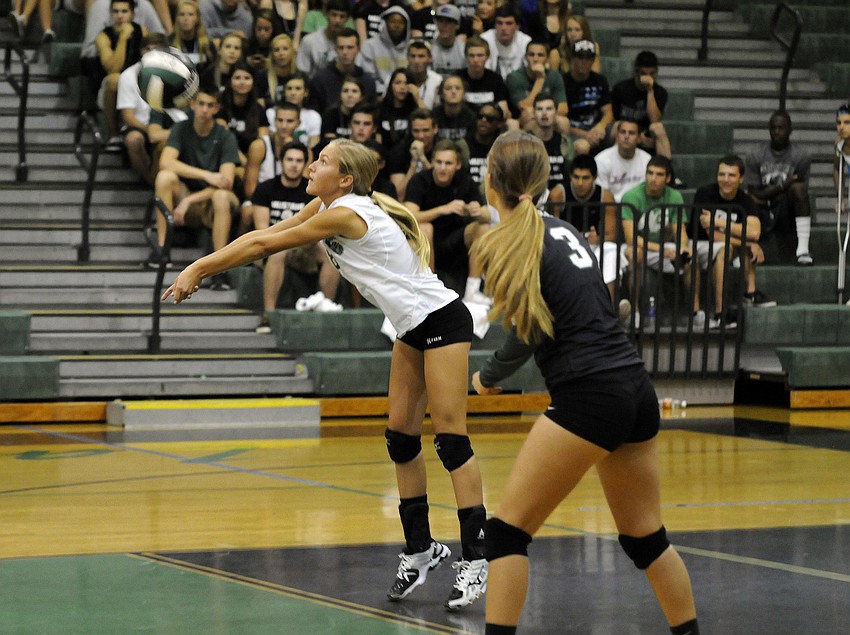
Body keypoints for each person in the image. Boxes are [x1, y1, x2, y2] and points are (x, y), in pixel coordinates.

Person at [163, 138, 489, 612]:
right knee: (400, 439)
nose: (312, 166)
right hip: (409, 327)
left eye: (322, 161)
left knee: (451, 440)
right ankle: (421, 551)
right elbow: (263, 235)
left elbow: (263, 242)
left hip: (441, 320)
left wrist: (199, 266)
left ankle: (477, 559)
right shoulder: (325, 204)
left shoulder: (346, 212)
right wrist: (205, 265)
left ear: (346, 179)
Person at [469, 130, 699, 635]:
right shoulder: (564, 230)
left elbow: (529, 331)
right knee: (645, 539)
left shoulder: (507, 241)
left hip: (589, 395)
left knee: (505, 534)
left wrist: (486, 378)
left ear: (491, 181)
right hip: (635, 389)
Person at [154, 85, 241, 289]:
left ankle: (219, 268)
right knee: (164, 177)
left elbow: (226, 182)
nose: (204, 110)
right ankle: (162, 249)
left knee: (221, 195)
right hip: (189, 194)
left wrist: (188, 200)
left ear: (217, 109)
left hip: (211, 201)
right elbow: (166, 162)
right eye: (201, 104)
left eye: (210, 105)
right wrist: (207, 175)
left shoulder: (225, 136)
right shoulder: (181, 129)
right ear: (192, 104)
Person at [251, 140, 340, 332]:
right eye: (289, 159)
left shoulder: (312, 190)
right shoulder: (265, 189)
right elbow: (262, 229)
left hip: (304, 246)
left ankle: (327, 307)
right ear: (280, 161)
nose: (294, 164)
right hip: (272, 246)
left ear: (306, 164)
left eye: (299, 160)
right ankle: (268, 315)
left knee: (330, 251)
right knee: (277, 253)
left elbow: (321, 229)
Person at [694, 155, 775, 329]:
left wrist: (719, 222)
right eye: (721, 174)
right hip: (699, 243)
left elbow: (754, 232)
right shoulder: (705, 194)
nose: (725, 180)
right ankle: (720, 312)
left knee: (741, 245)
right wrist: (747, 242)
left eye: (731, 175)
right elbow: (711, 235)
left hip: (725, 242)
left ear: (741, 178)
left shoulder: (746, 201)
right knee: (730, 247)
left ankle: (750, 293)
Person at [404, 139, 490, 299]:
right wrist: (444, 209)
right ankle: (427, 291)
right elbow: (409, 215)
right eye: (439, 162)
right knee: (425, 227)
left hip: (455, 243)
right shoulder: (420, 180)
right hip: (425, 243)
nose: (442, 168)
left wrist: (476, 210)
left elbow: (488, 216)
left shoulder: (465, 181)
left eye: (448, 163)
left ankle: (472, 291)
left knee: (482, 228)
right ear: (433, 162)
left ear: (457, 165)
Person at [621, 155, 702, 324]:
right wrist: (662, 250)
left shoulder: (674, 197)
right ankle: (634, 313)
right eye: (650, 173)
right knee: (634, 254)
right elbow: (631, 238)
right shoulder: (631, 197)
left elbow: (680, 231)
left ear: (668, 178)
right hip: (641, 246)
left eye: (659, 174)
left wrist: (683, 248)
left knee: (691, 258)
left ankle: (696, 312)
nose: (653, 179)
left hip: (664, 248)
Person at [745, 110, 813, 266]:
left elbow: (799, 192)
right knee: (746, 197)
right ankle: (746, 251)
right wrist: (785, 184)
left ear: (790, 130)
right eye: (773, 128)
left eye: (781, 128)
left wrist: (772, 193)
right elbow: (754, 194)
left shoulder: (801, 156)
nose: (777, 132)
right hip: (760, 209)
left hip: (785, 210)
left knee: (799, 190)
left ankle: (803, 249)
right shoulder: (755, 155)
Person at [117, 32, 173, 185]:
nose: (152, 53)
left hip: (168, 124)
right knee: (134, 140)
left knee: (166, 142)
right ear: (141, 51)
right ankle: (149, 180)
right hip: (140, 124)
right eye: (147, 49)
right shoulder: (128, 76)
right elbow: (128, 116)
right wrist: (151, 131)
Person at [216, 59, 271, 202]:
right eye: (237, 78)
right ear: (230, 81)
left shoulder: (258, 109)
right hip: (226, 159)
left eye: (247, 78)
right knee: (239, 172)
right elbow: (222, 137)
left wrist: (250, 164)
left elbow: (264, 141)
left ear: (253, 82)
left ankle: (252, 203)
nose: (242, 82)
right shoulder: (221, 107)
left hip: (253, 161)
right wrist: (244, 163)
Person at [94, 0, 148, 145]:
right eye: (116, 11)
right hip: (108, 88)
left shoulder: (142, 31)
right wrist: (123, 39)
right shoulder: (103, 37)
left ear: (132, 14)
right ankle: (114, 134)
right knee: (115, 79)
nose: (119, 16)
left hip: (137, 80)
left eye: (124, 11)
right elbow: (113, 68)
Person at [611, 50, 671, 159]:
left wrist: (650, 91)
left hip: (646, 136)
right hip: (625, 132)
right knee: (617, 126)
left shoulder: (660, 92)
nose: (648, 77)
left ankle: (666, 171)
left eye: (652, 74)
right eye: (644, 73)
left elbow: (655, 120)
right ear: (636, 72)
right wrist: (635, 136)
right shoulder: (620, 89)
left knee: (658, 128)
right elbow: (613, 118)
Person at [309, 28, 378, 116]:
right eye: (341, 48)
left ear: (358, 49)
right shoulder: (320, 79)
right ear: (335, 50)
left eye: (350, 47)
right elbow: (314, 114)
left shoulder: (368, 82)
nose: (345, 52)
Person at [505, 40, 568, 133]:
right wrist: (540, 79)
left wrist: (545, 115)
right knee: (527, 119)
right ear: (525, 57)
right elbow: (525, 107)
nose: (535, 59)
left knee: (563, 122)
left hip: (545, 117)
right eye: (531, 54)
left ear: (547, 59)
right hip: (522, 120)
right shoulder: (514, 77)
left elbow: (563, 109)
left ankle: (561, 147)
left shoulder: (555, 76)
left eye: (540, 55)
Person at [563, 39, 613, 156]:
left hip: (596, 128)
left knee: (620, 130)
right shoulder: (562, 81)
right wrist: (585, 134)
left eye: (588, 58)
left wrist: (600, 126)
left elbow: (608, 112)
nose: (583, 62)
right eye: (580, 57)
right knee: (582, 147)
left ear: (593, 60)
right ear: (572, 58)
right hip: (572, 130)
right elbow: (560, 122)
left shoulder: (600, 80)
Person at [529, 92, 569, 217]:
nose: (544, 113)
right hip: (531, 198)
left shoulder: (565, 143)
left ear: (556, 112)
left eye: (549, 109)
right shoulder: (525, 141)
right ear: (533, 113)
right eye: (540, 109)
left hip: (562, 199)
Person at [595, 118, 651, 203]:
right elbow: (603, 194)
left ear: (639, 138)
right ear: (617, 136)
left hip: (639, 208)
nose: (626, 136)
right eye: (623, 132)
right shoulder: (601, 160)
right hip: (612, 208)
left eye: (631, 133)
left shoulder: (647, 160)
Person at [388, 108, 439, 200]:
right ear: (411, 131)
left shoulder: (442, 150)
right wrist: (413, 164)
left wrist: (423, 159)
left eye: (426, 130)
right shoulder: (399, 152)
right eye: (416, 131)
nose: (421, 136)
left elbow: (442, 188)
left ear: (435, 129)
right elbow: (398, 196)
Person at [360, 6, 411, 96]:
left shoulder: (411, 48)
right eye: (393, 21)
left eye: (401, 22)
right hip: (376, 95)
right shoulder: (369, 45)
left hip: (405, 95)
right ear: (385, 23)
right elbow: (368, 77)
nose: (396, 26)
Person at [459, 36, 512, 122]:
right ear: (466, 57)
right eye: (471, 55)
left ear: (487, 57)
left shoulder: (495, 79)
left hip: (489, 123)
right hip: (464, 122)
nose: (475, 60)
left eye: (480, 55)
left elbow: (503, 108)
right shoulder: (457, 78)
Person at [295, 0, 352, 80]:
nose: (337, 20)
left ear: (347, 19)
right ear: (326, 14)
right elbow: (302, 73)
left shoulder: (350, 43)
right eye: (334, 15)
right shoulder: (309, 41)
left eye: (342, 17)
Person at [481, 3, 531, 81]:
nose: (503, 28)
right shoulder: (484, 40)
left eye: (509, 23)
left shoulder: (526, 41)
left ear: (517, 26)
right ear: (495, 25)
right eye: (499, 23)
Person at [170, 0, 217, 75]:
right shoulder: (169, 43)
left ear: (197, 18)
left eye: (191, 14)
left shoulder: (207, 45)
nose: (186, 18)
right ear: (177, 18)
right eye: (182, 14)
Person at [378, 68, 419, 151]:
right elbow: (378, 138)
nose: (402, 87)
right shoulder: (381, 108)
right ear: (391, 85)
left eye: (406, 83)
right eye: (398, 83)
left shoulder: (415, 109)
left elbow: (428, 119)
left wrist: (418, 98)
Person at [466, 103, 504, 186]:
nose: (483, 120)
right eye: (480, 116)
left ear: (499, 123)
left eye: (489, 118)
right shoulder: (464, 145)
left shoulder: (503, 149)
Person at [433, 75, 477, 142]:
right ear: (441, 93)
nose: (453, 92)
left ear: (463, 93)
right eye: (448, 88)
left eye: (458, 88)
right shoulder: (434, 116)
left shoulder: (471, 117)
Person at [430, 4, 467, 78]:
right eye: (440, 21)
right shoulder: (430, 48)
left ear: (457, 25)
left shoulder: (464, 49)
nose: (443, 25)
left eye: (448, 22)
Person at [406, 40, 443, 110]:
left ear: (430, 58)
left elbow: (437, 115)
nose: (416, 61)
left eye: (421, 56)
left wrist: (418, 99)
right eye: (412, 56)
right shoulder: (397, 79)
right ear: (407, 57)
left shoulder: (438, 81)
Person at [835, 103, 850, 213]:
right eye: (839, 123)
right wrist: (841, 198)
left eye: (847, 123)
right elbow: (837, 170)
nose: (841, 127)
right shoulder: (839, 146)